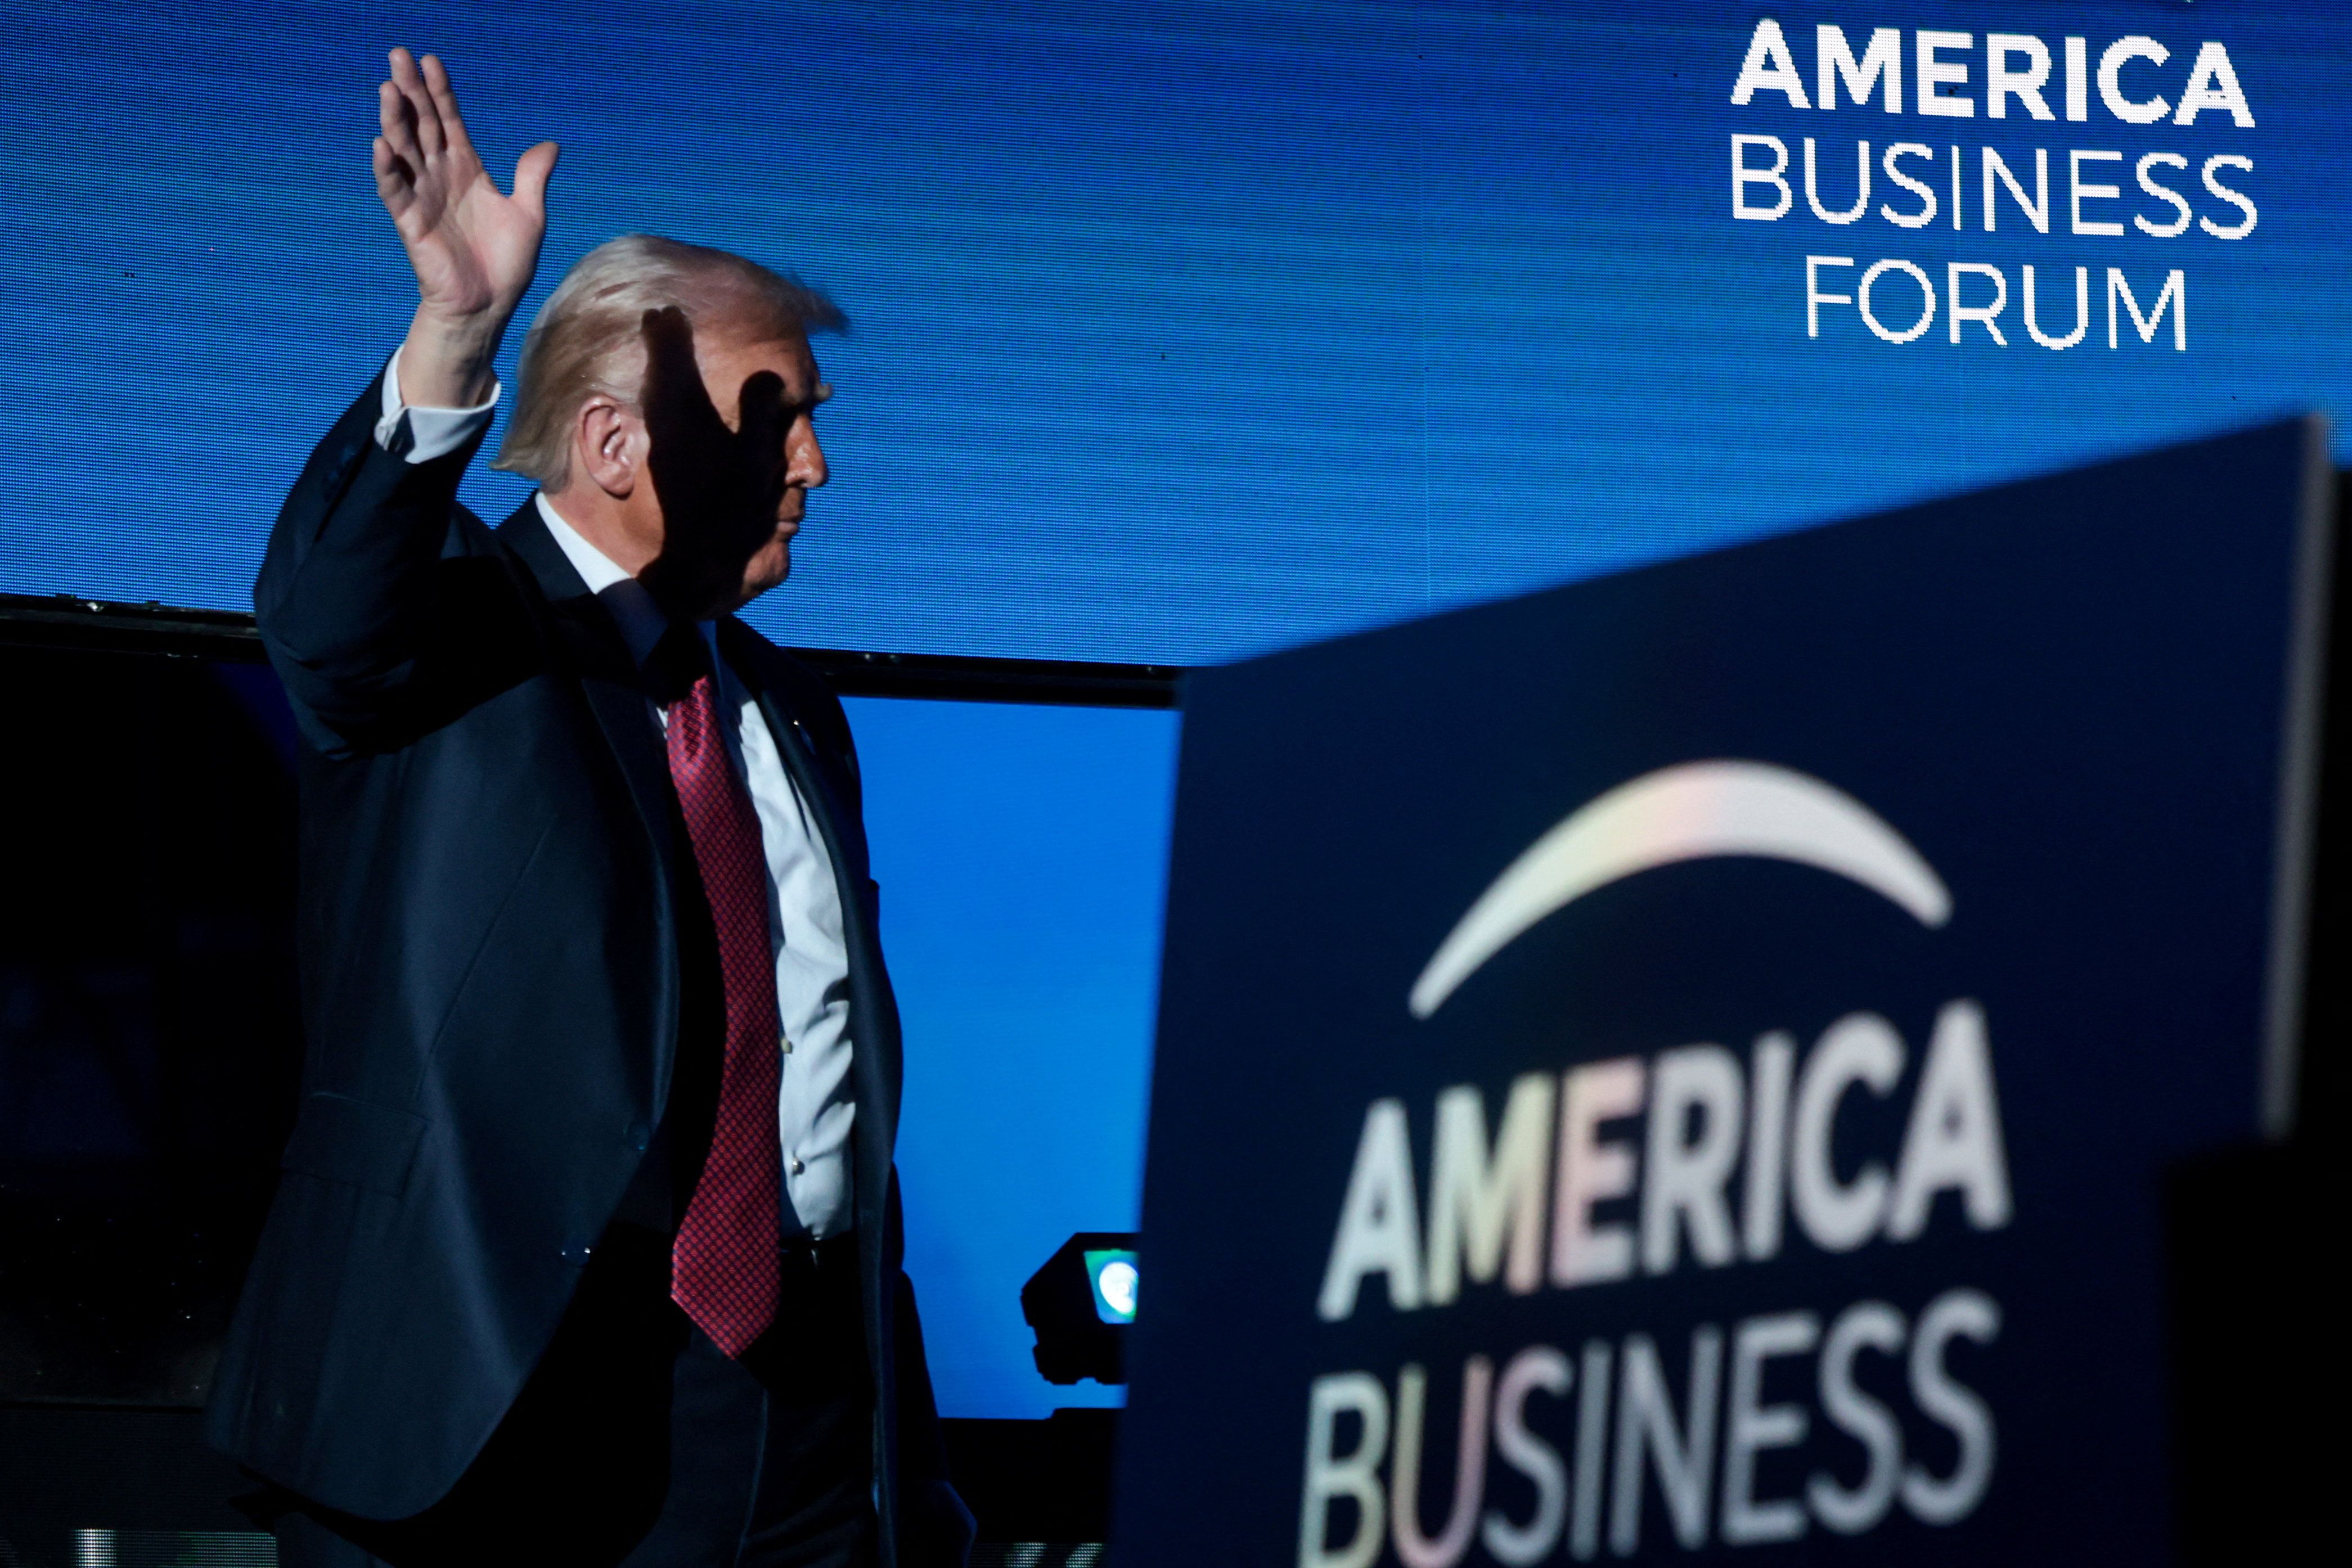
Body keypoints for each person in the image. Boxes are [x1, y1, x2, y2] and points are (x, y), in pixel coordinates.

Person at [204, 47, 974, 1568]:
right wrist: (455, 329)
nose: (813, 462)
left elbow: (828, 1101)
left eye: (813, 417)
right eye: (775, 415)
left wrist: (908, 1454)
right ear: (616, 442)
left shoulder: (794, 707)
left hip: (802, 1428)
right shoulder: (460, 633)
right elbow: (324, 619)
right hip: (514, 1412)